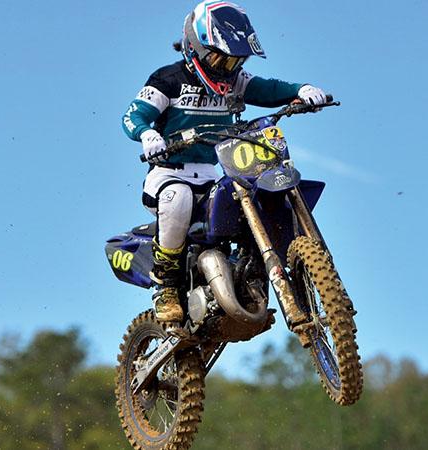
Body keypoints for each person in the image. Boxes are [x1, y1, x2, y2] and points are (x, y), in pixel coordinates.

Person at [121, 0, 329, 326]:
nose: (226, 67)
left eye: (234, 60)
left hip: (211, 173)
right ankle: (167, 285)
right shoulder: (167, 80)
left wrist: (300, 91)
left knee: (247, 195)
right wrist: (147, 134)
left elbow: (269, 88)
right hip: (168, 175)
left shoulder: (235, 80)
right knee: (179, 200)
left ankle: (246, 274)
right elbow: (135, 114)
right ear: (196, 48)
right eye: (219, 57)